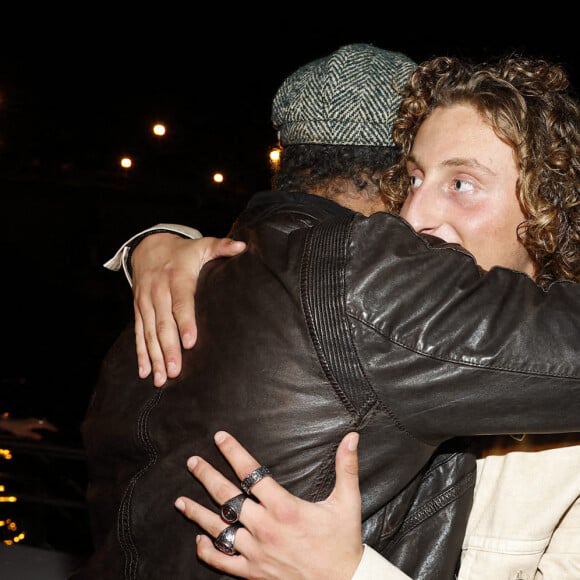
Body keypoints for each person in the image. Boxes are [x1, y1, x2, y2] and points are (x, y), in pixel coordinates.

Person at [82, 46, 580, 580]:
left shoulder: (206, 287)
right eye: (411, 179)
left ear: (549, 206)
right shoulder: (372, 308)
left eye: (461, 183)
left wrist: (349, 572)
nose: (413, 216)